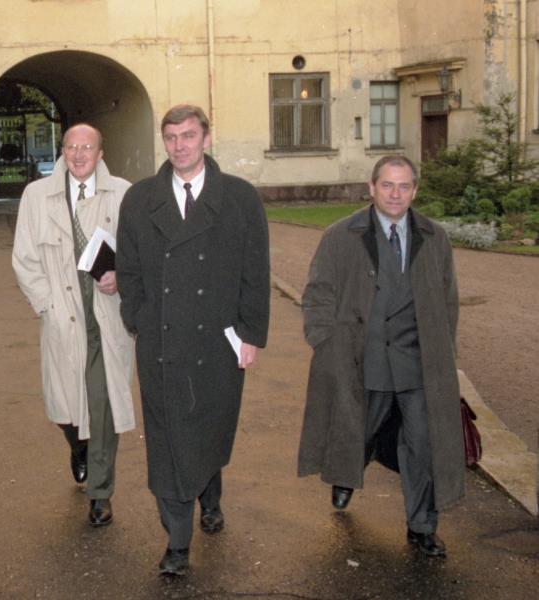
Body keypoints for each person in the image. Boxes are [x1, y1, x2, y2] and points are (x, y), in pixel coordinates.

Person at [116, 105, 270, 576]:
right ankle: (177, 542)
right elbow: (128, 269)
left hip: (219, 341)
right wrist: (138, 318)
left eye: (188, 135)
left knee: (208, 425)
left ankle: (210, 492)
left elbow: (255, 272)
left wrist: (251, 334)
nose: (179, 145)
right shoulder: (141, 198)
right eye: (171, 137)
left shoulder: (239, 198)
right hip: (161, 341)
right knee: (168, 439)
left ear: (206, 137)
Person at [297, 155, 462, 558]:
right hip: (361, 361)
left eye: (404, 186)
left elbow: (448, 299)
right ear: (372, 188)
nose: (395, 194)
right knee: (358, 431)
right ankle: (346, 473)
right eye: (387, 185)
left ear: (415, 191)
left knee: (422, 444)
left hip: (416, 364)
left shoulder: (434, 237)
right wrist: (325, 342)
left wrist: (442, 350)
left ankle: (422, 526)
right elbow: (318, 294)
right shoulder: (341, 235)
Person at [12, 124, 136, 527]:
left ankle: (100, 493)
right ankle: (77, 444)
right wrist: (47, 305)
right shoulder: (37, 196)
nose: (79, 154)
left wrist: (122, 277)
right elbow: (24, 259)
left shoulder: (123, 194)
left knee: (103, 403)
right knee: (64, 406)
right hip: (62, 315)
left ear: (100, 153)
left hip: (107, 317)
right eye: (71, 147)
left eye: (87, 147)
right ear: (62, 152)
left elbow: (140, 253)